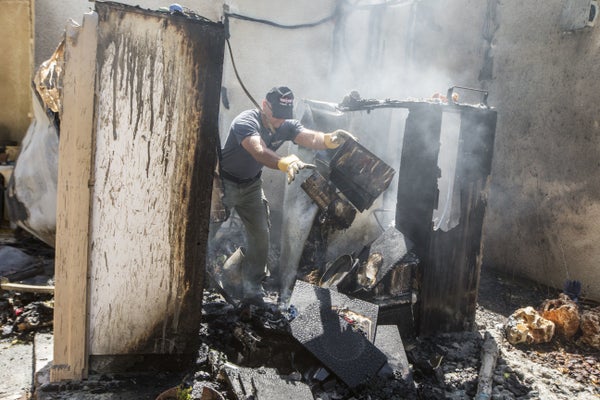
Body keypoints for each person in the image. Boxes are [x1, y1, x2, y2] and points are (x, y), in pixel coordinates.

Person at [211, 86, 354, 306]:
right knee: (207, 231)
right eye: (276, 115)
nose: (279, 121)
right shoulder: (245, 121)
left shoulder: (285, 124)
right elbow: (257, 150)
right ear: (264, 105)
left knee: (260, 237)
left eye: (283, 117)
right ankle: (199, 277)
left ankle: (252, 291)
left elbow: (308, 137)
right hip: (224, 183)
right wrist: (282, 162)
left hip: (251, 187)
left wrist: (328, 139)